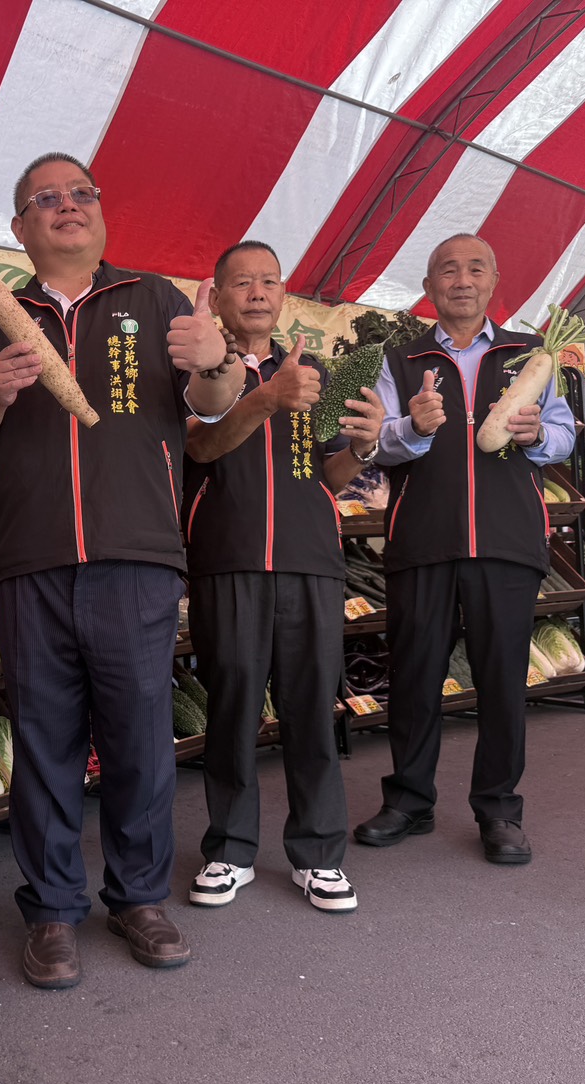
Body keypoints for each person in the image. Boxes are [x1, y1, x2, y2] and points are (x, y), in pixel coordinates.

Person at [0, 152, 240, 989]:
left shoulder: (154, 299)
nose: (66, 205)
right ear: (19, 227)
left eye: (80, 193)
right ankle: (51, 910)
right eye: (46, 197)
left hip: (135, 556)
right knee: (45, 742)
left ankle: (138, 897)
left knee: (139, 739)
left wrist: (216, 358)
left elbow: (210, 407)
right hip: (31, 559)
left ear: (101, 212)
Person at [353, 233, 576, 865]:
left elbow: (565, 434)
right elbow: (373, 443)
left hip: (507, 541)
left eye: (476, 268)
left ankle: (499, 809)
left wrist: (536, 435)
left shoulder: (530, 355)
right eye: (447, 270)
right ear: (429, 287)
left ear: (493, 281)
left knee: (502, 680)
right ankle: (408, 800)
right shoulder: (400, 359)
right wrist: (412, 427)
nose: (462, 280)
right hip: (422, 539)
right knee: (415, 675)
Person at [182, 241, 383, 913]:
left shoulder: (314, 372)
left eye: (269, 281)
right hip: (227, 557)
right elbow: (200, 445)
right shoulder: (200, 368)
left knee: (311, 710)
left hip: (310, 561)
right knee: (232, 707)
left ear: (283, 294)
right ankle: (230, 849)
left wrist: (363, 448)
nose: (258, 293)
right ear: (217, 295)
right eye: (242, 282)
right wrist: (266, 397)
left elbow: (330, 475)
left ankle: (319, 854)